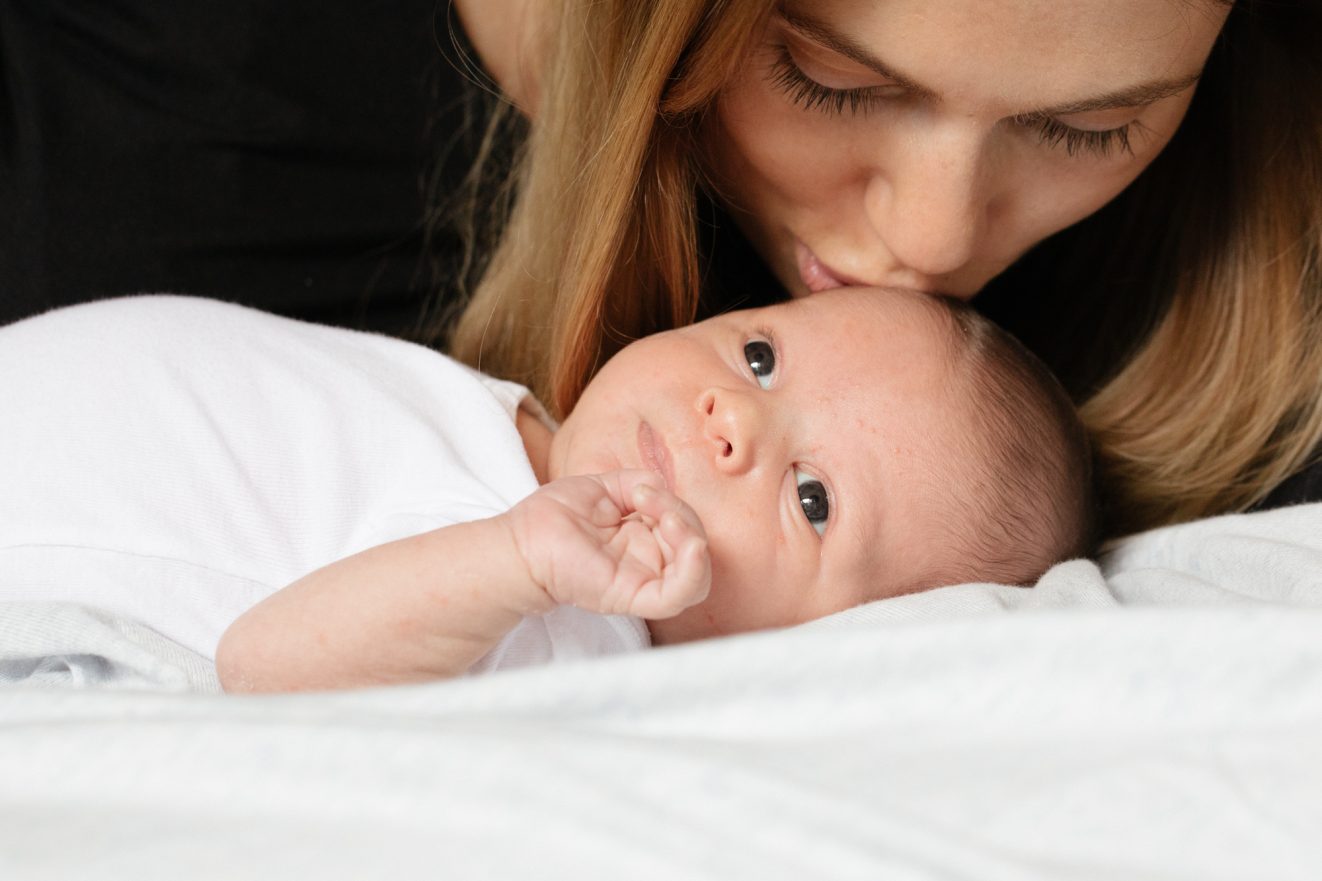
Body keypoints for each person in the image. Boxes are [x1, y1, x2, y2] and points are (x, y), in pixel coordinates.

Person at [6, 1, 1317, 538]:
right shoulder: (136, 113)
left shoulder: (1256, 209)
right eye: (830, 78)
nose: (926, 239)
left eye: (1095, 127)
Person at [0, 289, 1090, 691]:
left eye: (812, 499)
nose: (731, 423)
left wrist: (516, 563)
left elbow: (266, 664)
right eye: (760, 358)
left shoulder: (565, 615)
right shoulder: (516, 436)